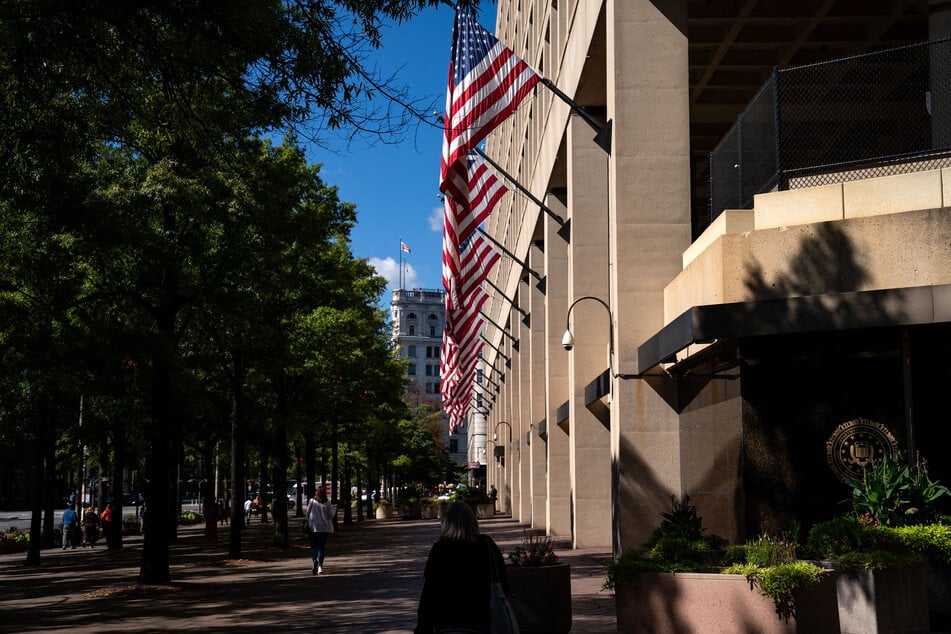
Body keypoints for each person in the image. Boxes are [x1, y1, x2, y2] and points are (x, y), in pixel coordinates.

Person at [415, 501, 509, 633]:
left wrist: (423, 627)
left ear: (446, 522)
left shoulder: (440, 549)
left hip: (448, 623)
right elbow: (502, 582)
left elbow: (430, 591)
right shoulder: (486, 545)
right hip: (483, 621)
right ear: (472, 521)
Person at [305, 486, 335, 575]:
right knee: (321, 548)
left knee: (313, 547)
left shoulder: (312, 501)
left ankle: (315, 560)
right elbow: (330, 516)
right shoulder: (328, 502)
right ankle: (320, 567)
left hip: (313, 527)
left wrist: (309, 520)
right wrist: (334, 509)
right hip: (324, 528)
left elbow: (307, 513)